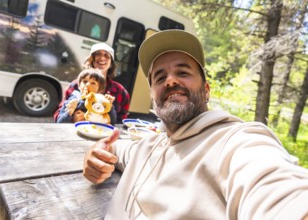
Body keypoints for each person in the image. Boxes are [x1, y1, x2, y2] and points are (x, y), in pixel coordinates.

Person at [82, 30, 308, 219]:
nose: (170, 81)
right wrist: (95, 154)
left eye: (183, 72)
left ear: (206, 90)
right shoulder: (146, 146)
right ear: (152, 96)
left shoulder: (235, 143)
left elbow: (279, 192)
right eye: (160, 78)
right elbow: (113, 148)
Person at [54, 42, 130, 123]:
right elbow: (58, 116)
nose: (102, 58)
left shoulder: (120, 91)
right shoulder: (75, 85)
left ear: (111, 63)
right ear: (91, 59)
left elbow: (121, 122)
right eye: (98, 54)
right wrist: (72, 116)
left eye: (106, 55)